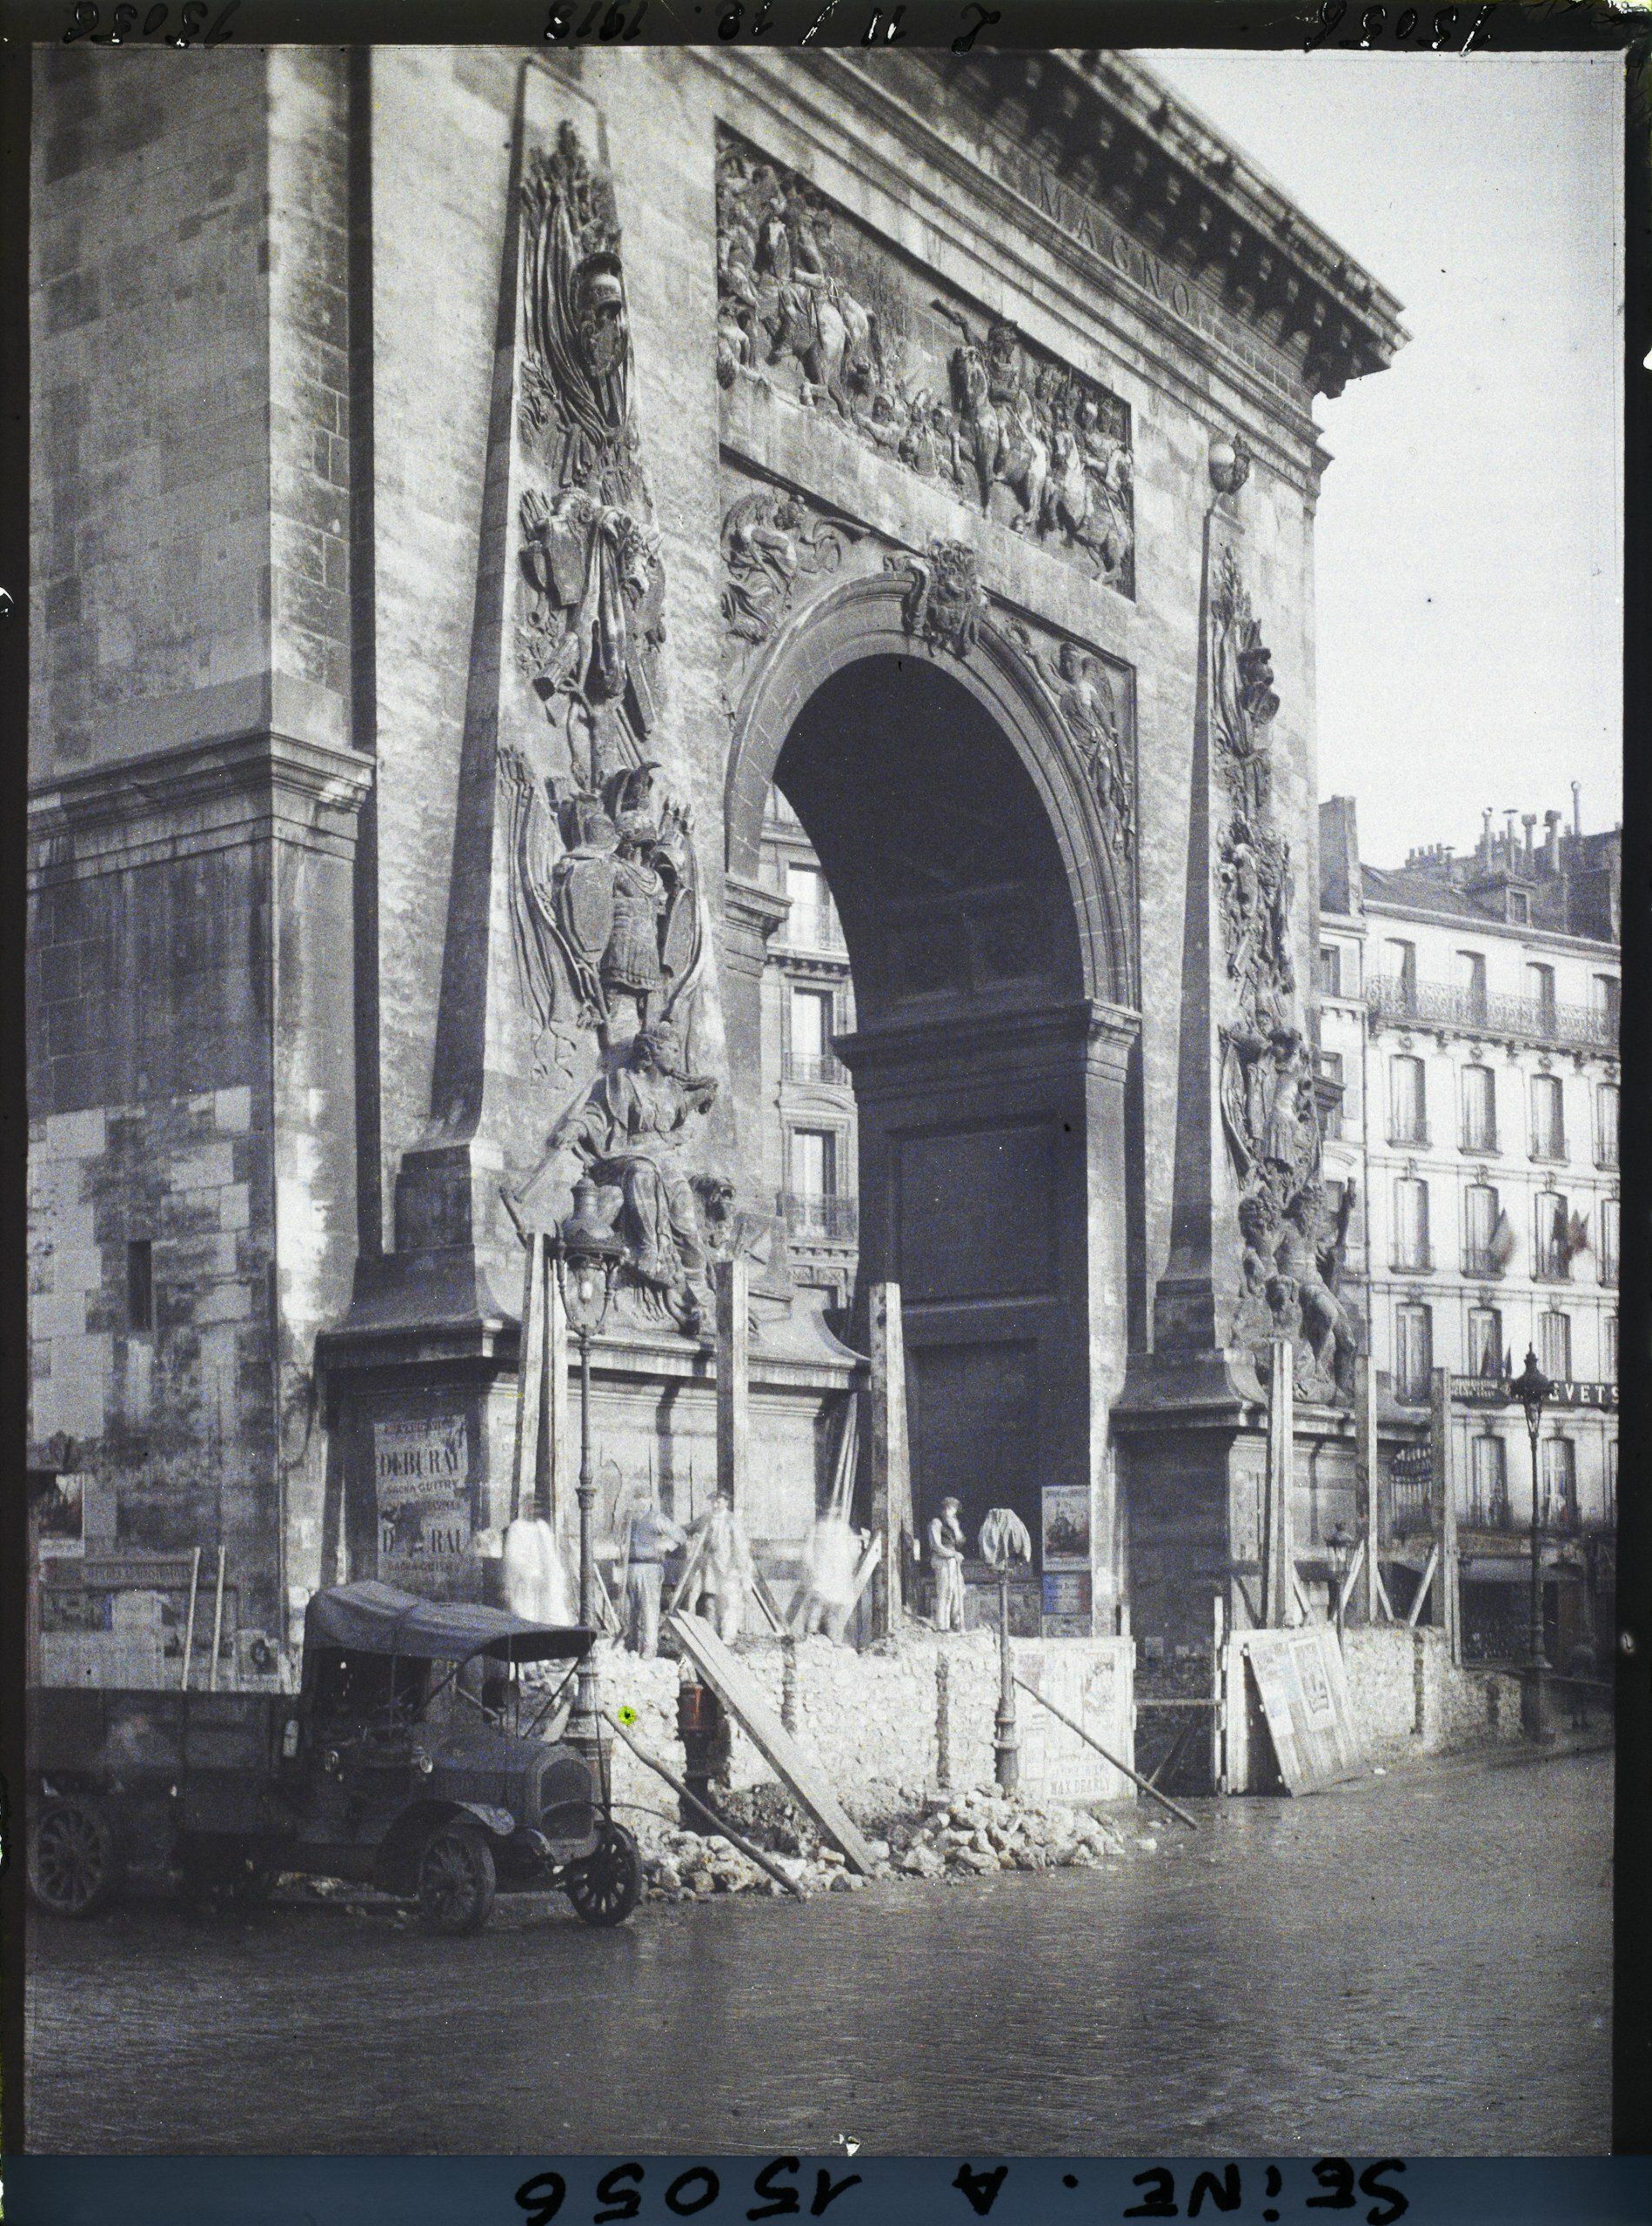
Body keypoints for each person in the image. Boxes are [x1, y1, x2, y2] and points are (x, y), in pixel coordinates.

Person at [619, 1485, 686, 1659]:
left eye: (643, 1498)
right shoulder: (629, 1519)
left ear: (650, 1500)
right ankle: (633, 1645)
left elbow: (680, 1535)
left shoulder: (656, 1518)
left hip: (649, 1568)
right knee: (631, 1609)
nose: (640, 1502)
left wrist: (666, 1545)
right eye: (637, 1498)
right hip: (630, 1567)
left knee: (649, 1608)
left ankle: (649, 1648)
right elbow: (619, 1540)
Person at [692, 1488, 755, 1646]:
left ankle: (728, 1638)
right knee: (710, 1601)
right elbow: (689, 1528)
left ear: (726, 1502)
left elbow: (740, 1548)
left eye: (718, 1501)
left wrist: (740, 1569)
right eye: (713, 1501)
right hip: (711, 1567)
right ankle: (710, 1639)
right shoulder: (707, 1519)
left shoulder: (732, 1521)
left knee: (729, 1604)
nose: (715, 1505)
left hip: (729, 1568)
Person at [927, 1497, 966, 1632]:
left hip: (953, 1560)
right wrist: (952, 1554)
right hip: (941, 1560)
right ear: (943, 1509)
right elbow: (936, 1546)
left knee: (958, 1590)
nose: (951, 1512)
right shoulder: (936, 1523)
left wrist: (956, 1528)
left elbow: (960, 1543)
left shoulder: (954, 1524)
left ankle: (957, 1623)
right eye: (948, 1508)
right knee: (945, 1592)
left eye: (953, 1509)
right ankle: (942, 1626)